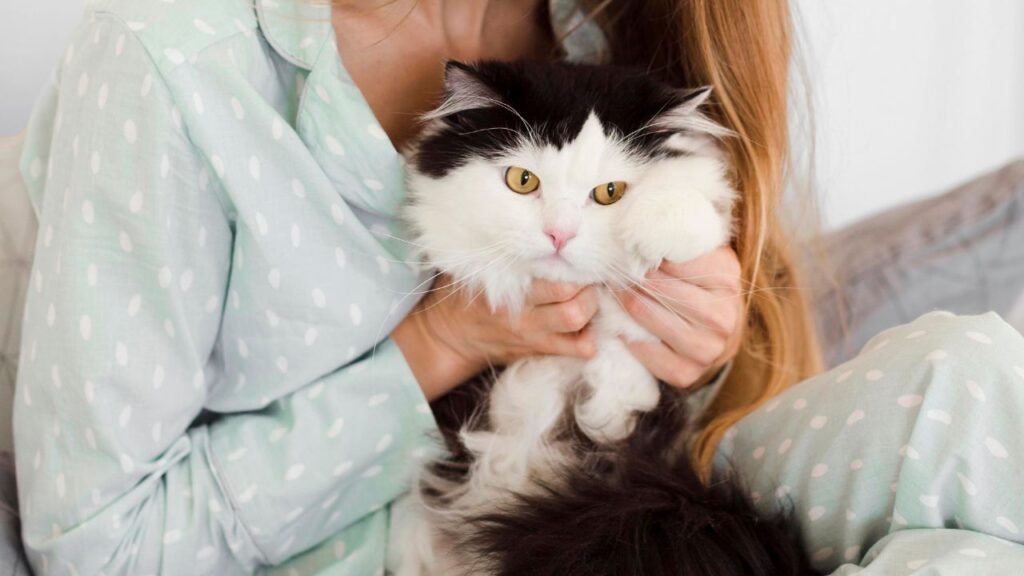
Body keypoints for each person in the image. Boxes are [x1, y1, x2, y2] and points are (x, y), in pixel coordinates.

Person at [13, 0, 1024, 574]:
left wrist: (700, 344)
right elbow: (98, 549)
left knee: (968, 380)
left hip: (631, 514)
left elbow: (671, 422)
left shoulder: (607, 32)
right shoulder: (174, 58)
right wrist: (440, 346)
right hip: (397, 553)